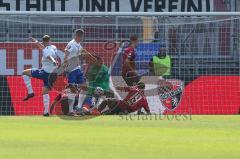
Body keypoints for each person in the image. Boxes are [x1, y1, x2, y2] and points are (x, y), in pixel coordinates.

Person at [22, 35, 58, 116]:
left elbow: (49, 56)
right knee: (45, 92)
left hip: (45, 72)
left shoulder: (46, 50)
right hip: (53, 74)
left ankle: (31, 92)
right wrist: (34, 40)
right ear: (50, 40)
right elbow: (41, 46)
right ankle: (46, 112)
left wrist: (53, 61)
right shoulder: (53, 47)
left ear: (44, 42)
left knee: (24, 73)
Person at [63, 29, 95, 115]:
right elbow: (66, 51)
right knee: (72, 90)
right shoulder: (71, 43)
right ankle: (70, 111)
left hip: (77, 68)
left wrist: (91, 56)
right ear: (78, 36)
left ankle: (79, 108)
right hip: (71, 69)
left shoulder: (78, 44)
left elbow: (83, 50)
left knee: (84, 87)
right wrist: (65, 62)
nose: (82, 38)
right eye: (82, 36)